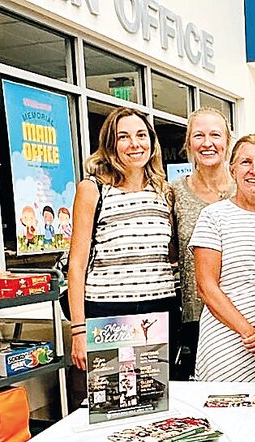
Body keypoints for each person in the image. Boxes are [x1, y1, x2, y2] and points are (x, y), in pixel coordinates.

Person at [67, 107, 178, 372]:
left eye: (141, 135)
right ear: (110, 144)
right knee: (114, 400)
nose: (134, 144)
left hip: (159, 308)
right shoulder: (93, 189)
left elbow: (170, 254)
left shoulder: (164, 191)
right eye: (123, 137)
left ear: (152, 142)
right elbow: (77, 265)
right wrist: (78, 330)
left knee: (157, 396)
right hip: (109, 311)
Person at [190, 134, 255, 382]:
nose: (254, 170)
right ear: (232, 169)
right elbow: (206, 287)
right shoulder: (213, 216)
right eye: (245, 162)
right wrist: (249, 332)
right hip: (226, 341)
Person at [171, 108, 234, 377]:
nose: (207, 143)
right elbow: (170, 250)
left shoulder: (248, 188)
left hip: (246, 313)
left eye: (215, 135)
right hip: (195, 317)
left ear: (228, 142)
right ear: (188, 143)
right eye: (199, 135)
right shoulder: (173, 192)